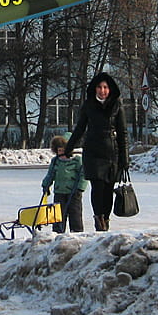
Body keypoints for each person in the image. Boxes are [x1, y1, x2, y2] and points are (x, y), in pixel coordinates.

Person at [65, 72, 129, 232]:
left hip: (111, 153)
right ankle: (98, 219)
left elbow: (123, 133)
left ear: (110, 89)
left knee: (108, 190)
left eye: (105, 87)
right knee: (97, 187)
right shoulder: (89, 105)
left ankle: (105, 220)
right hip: (93, 151)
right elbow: (80, 128)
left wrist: (125, 157)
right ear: (94, 89)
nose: (102, 90)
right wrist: (69, 147)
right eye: (99, 87)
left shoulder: (116, 104)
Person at [41, 134, 87, 233]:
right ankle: (58, 232)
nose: (61, 153)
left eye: (63, 150)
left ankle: (77, 232)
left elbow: (84, 174)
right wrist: (46, 185)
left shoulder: (77, 160)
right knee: (58, 215)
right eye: (59, 151)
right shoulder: (55, 161)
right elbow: (50, 174)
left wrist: (80, 188)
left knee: (75, 214)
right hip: (59, 192)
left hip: (73, 192)